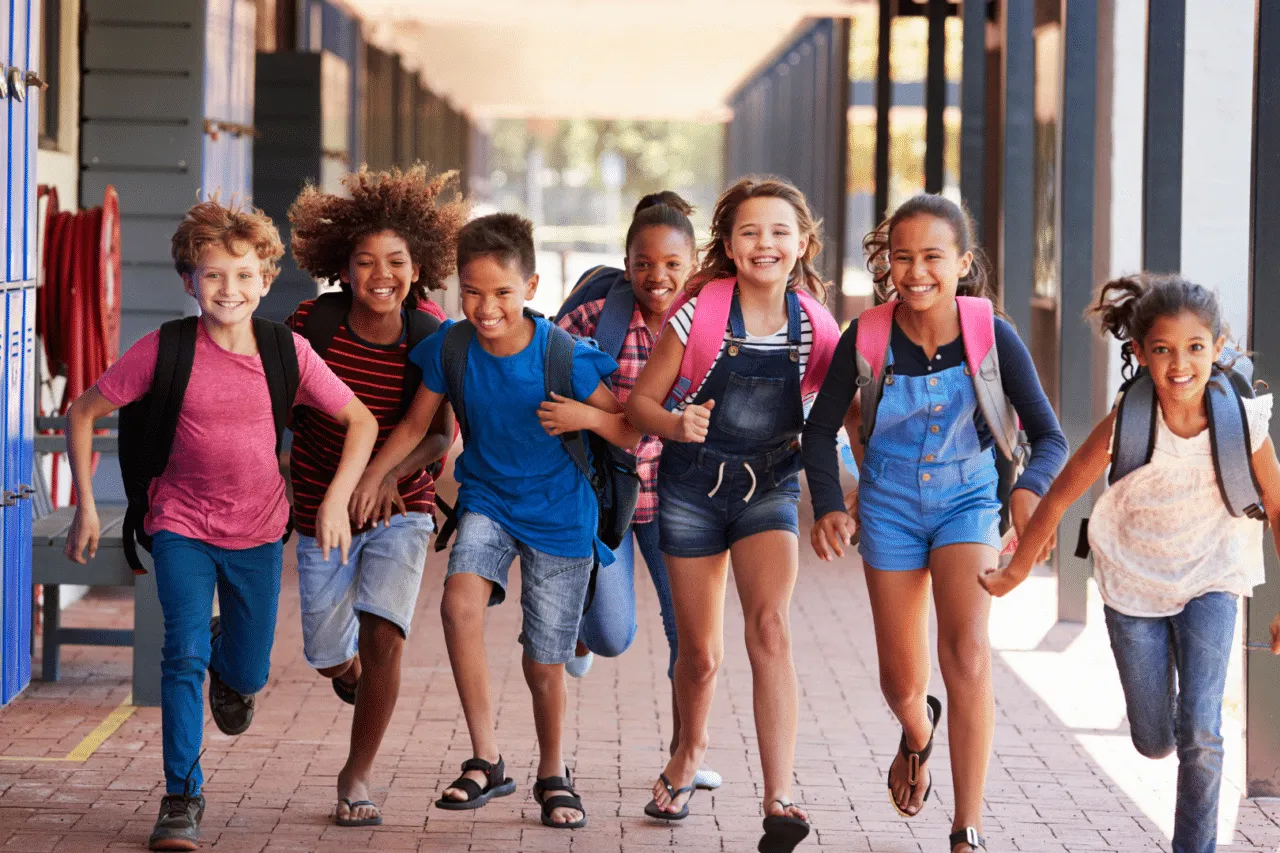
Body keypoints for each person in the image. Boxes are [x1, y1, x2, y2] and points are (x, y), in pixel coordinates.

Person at [63, 200, 378, 851]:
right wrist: (89, 507)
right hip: (179, 524)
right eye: (212, 276)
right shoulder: (164, 349)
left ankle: (228, 657)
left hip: (259, 532)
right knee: (181, 656)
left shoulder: (283, 350)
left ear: (265, 278)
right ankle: (182, 796)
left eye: (241, 276)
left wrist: (335, 498)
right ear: (188, 280)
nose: (227, 290)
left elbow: (362, 421)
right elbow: (83, 410)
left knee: (247, 671)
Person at [349, 212, 640, 830]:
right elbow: (411, 427)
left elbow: (626, 428)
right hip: (488, 500)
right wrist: (373, 477)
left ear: (531, 287)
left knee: (544, 661)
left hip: (561, 515)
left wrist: (585, 419)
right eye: (472, 292)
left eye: (502, 293)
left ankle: (553, 773)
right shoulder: (450, 348)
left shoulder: (564, 355)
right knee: (458, 605)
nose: (486, 308)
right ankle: (487, 757)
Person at [801, 193, 1067, 853]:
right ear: (887, 263)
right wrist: (834, 501)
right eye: (902, 257)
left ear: (962, 262)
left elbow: (1051, 437)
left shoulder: (991, 334)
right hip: (888, 504)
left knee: (968, 653)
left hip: (966, 501)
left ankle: (965, 827)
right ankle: (918, 734)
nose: (916, 271)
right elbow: (818, 428)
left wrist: (1028, 492)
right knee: (900, 680)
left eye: (932, 256)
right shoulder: (866, 335)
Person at [981, 274, 1280, 853]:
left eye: (1196, 348)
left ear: (1219, 348)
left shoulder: (1243, 422)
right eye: (1163, 350)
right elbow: (1064, 491)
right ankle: (1164, 715)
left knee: (1201, 729)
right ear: (1139, 353)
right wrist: (1016, 571)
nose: (1180, 365)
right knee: (1153, 738)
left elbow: (1276, 505)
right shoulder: (1130, 420)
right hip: (1130, 581)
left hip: (1212, 577)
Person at [626, 176, 839, 853]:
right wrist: (676, 421)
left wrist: (842, 496)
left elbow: (837, 417)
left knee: (770, 627)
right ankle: (688, 752)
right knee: (701, 655)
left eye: (779, 231)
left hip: (771, 486)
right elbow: (640, 407)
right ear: (728, 243)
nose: (765, 244)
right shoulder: (700, 314)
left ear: (802, 243)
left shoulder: (816, 326)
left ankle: (780, 797)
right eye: (749, 231)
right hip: (690, 489)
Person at [284, 165, 466, 827]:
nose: (381, 274)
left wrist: (385, 479)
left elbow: (438, 434)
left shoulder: (431, 334)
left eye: (395, 261)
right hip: (319, 508)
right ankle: (350, 676)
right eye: (365, 262)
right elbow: (277, 409)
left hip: (404, 506)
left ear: (416, 268)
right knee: (330, 652)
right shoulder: (313, 324)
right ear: (343, 267)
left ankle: (356, 774)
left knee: (385, 631)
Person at [554, 191, 722, 791]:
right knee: (611, 633)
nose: (659, 277)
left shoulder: (712, 319)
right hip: (610, 498)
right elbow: (543, 374)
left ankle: (686, 756)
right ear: (627, 263)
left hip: (680, 497)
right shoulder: (596, 315)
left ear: (694, 262)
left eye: (673, 265)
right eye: (645, 263)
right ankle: (580, 629)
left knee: (690, 638)